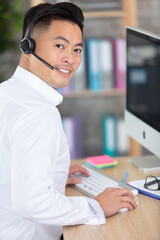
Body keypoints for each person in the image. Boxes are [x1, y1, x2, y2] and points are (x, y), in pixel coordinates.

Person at [0, 2, 137, 240]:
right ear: (27, 46)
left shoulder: (7, 93)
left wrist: (53, 174)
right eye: (59, 45)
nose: (70, 59)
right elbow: (32, 204)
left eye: (76, 50)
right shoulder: (38, 114)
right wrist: (96, 207)